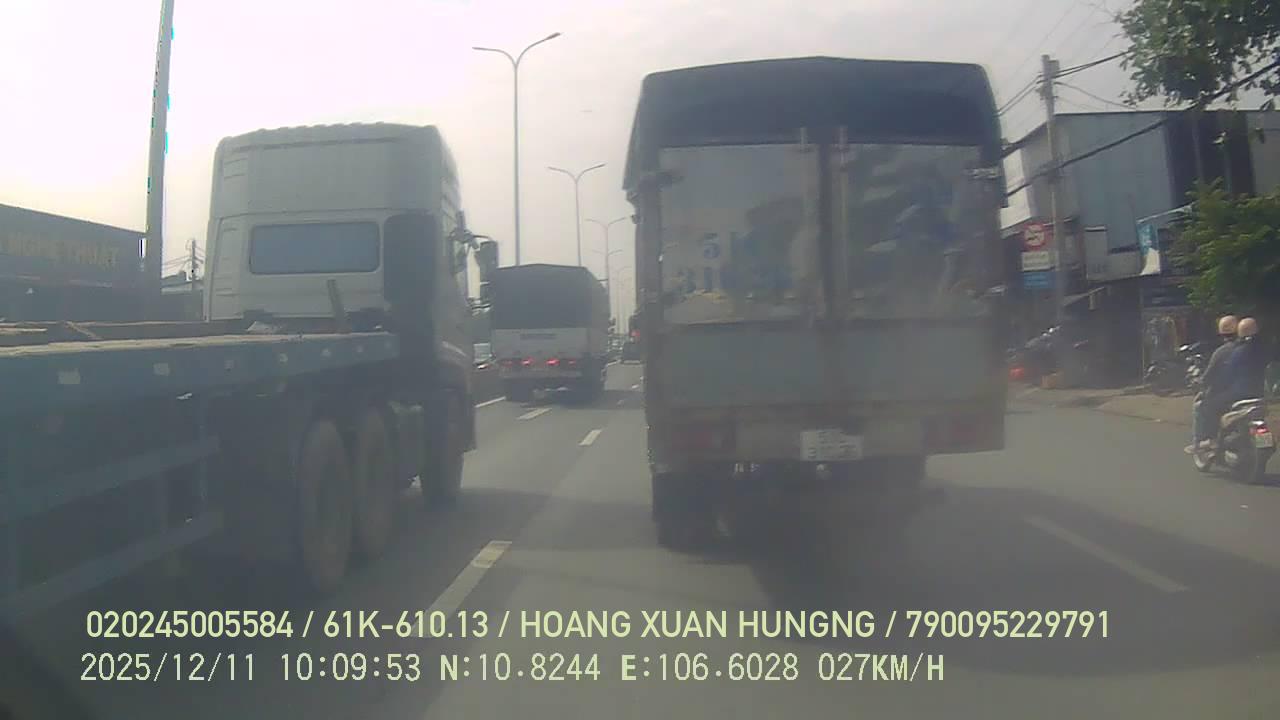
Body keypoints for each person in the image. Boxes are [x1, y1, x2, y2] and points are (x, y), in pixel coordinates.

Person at [1187, 314, 1239, 453]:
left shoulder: (1222, 352)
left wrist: (1200, 382)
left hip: (1229, 394)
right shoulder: (1248, 348)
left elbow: (1209, 375)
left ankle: (1208, 440)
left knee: (1201, 406)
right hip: (1254, 393)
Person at [1223, 317, 1268, 404]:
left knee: (1210, 404)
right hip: (1260, 394)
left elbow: (1227, 375)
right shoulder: (1265, 349)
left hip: (1238, 395)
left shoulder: (1238, 352)